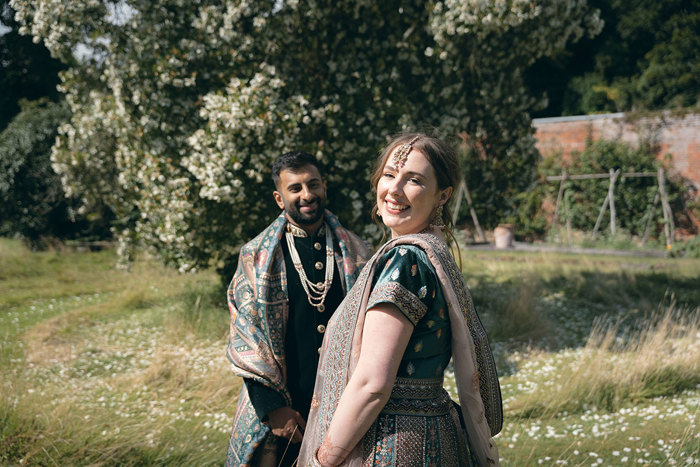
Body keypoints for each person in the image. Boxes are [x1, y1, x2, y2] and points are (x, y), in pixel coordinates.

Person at [299, 133, 503, 466]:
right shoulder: (434, 252)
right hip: (435, 431)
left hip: (392, 444)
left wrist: (324, 458)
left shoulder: (406, 261)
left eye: (414, 180)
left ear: (442, 196)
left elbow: (372, 385)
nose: (394, 189)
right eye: (390, 174)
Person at [225, 151, 371, 467]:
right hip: (286, 416)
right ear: (280, 198)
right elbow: (245, 337)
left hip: (344, 410)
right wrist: (273, 409)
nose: (307, 195)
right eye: (295, 188)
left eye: (313, 184)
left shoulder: (358, 254)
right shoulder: (256, 258)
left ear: (324, 187)